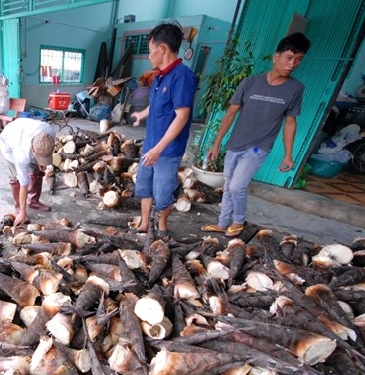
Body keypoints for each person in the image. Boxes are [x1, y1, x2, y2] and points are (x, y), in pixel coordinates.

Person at [201, 32, 311, 238]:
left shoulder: (295, 88)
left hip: (258, 147)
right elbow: (231, 113)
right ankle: (223, 222)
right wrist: (216, 143)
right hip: (235, 143)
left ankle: (238, 221)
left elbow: (290, 122)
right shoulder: (250, 83)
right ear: (275, 57)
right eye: (289, 57)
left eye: (298, 60)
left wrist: (288, 154)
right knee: (228, 186)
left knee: (237, 186)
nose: (293, 64)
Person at [130, 22, 197, 239]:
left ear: (162, 49)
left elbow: (182, 116)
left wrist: (158, 149)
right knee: (145, 186)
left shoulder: (182, 76)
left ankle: (162, 226)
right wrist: (142, 114)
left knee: (163, 192)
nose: (149, 56)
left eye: (150, 51)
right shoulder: (159, 77)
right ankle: (143, 224)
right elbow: (158, 105)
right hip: (151, 144)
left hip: (167, 150)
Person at [0, 117, 56, 226]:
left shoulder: (49, 133)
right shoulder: (21, 155)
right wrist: (23, 212)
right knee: (17, 178)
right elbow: (23, 184)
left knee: (37, 170)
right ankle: (19, 210)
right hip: (9, 142)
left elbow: (44, 150)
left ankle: (33, 201)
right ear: (32, 149)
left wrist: (40, 162)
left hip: (25, 129)